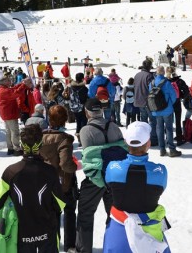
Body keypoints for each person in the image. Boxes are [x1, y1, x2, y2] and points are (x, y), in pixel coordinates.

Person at [0, 123, 64, 252]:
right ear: (41, 145)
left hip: (21, 235)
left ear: (21, 146)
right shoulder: (50, 171)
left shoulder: (10, 172)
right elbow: (60, 204)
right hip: (47, 233)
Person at [102, 121, 171, 253]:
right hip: (150, 230)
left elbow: (109, 182)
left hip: (118, 229)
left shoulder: (113, 168)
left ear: (127, 144)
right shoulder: (160, 171)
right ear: (148, 144)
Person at [76, 99, 124, 253]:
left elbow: (89, 157)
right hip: (114, 178)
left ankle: (84, 249)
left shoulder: (86, 130)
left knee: (85, 213)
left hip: (95, 179)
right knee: (114, 216)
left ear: (87, 112)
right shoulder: (114, 126)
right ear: (101, 111)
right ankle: (112, 247)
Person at [39, 105, 78, 252]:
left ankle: (54, 243)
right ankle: (70, 244)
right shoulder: (64, 139)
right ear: (65, 120)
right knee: (69, 211)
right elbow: (66, 164)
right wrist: (76, 166)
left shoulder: (41, 136)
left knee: (52, 214)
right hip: (64, 183)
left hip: (46, 182)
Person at [149, 66, 181, 157]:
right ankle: (172, 149)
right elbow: (173, 96)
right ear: (163, 72)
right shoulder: (167, 82)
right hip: (167, 109)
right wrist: (170, 104)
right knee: (169, 129)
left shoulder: (151, 83)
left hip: (156, 109)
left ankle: (162, 149)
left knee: (159, 129)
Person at [0, 77, 28, 156]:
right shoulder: (4, 91)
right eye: (8, 80)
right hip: (10, 114)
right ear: (3, 82)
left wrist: (21, 84)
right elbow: (15, 93)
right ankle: (16, 149)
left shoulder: (3, 89)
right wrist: (23, 85)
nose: (10, 81)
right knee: (14, 132)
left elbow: (13, 89)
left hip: (7, 113)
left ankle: (10, 148)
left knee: (9, 132)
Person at [133, 60, 155, 143]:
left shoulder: (137, 75)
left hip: (139, 101)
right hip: (147, 102)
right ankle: (153, 139)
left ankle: (144, 139)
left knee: (143, 120)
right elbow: (152, 89)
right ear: (149, 67)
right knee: (152, 120)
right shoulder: (149, 76)